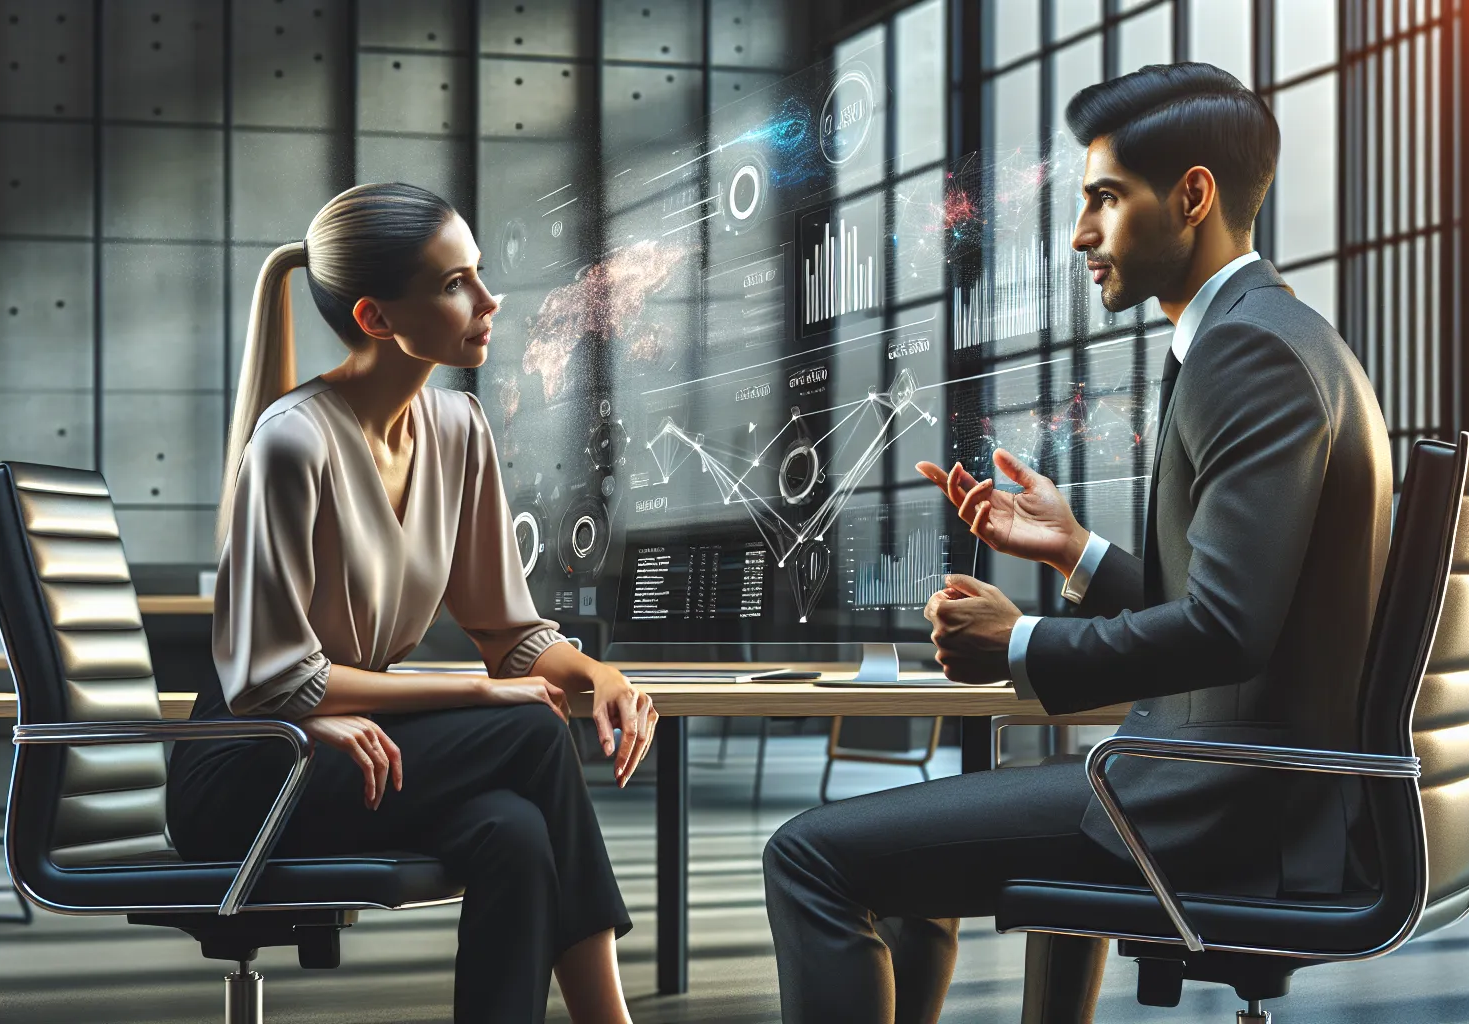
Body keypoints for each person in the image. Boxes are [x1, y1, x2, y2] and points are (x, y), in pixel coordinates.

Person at [763, 63, 1393, 1023]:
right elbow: (1244, 601)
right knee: (908, 856)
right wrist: (1077, 554)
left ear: (1192, 197)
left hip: (1215, 807)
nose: (1080, 233)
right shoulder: (1280, 334)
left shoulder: (1246, 355)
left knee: (805, 855)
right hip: (1242, 788)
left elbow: (1227, 632)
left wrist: (1016, 645)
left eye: (1105, 197)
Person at [165, 182, 658, 1024]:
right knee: (534, 730)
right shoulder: (293, 442)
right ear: (376, 318)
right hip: (247, 768)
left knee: (515, 832)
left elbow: (509, 633)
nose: (488, 299)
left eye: (477, 273)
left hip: (357, 746)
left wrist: (593, 672)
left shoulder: (460, 429)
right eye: (454, 282)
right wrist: (477, 691)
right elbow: (271, 685)